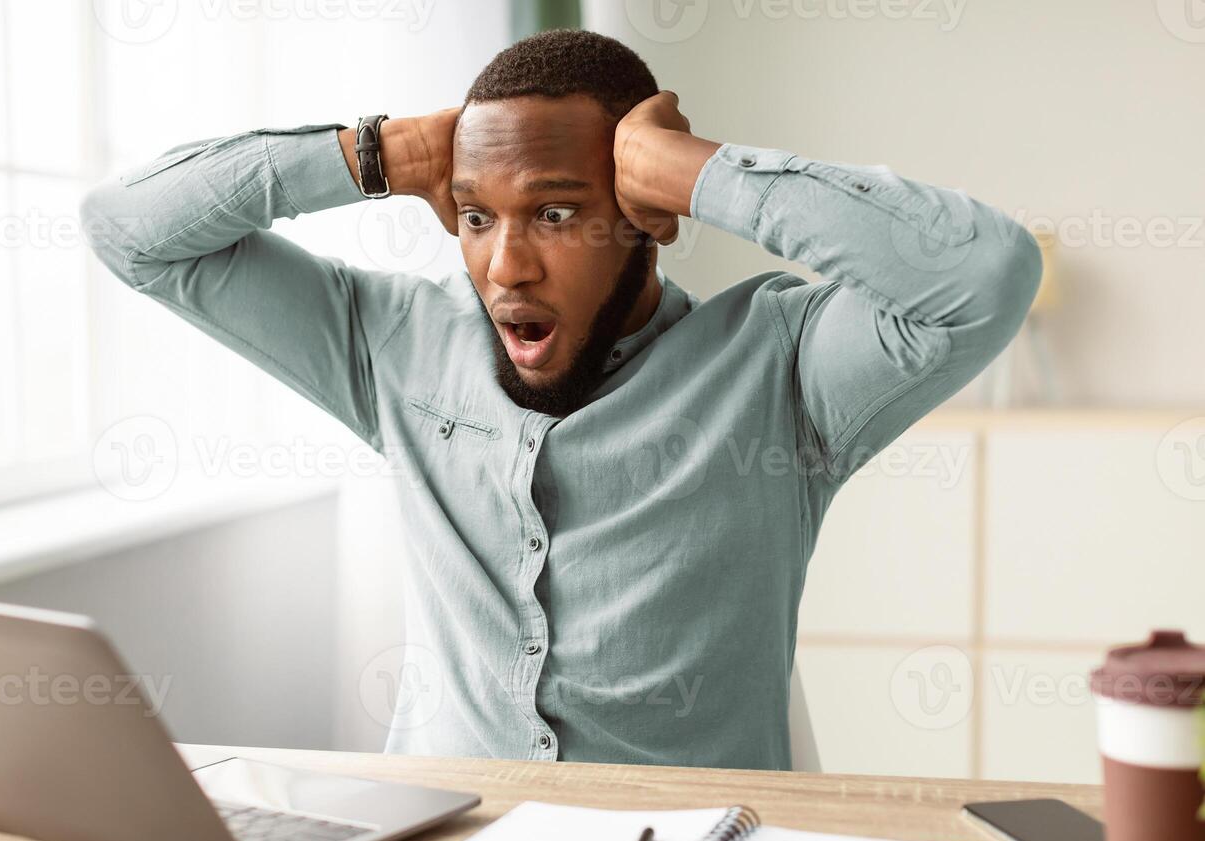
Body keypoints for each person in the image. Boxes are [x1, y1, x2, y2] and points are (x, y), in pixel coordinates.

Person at [81, 28, 1040, 770]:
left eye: (554, 212)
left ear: (644, 218)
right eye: (474, 216)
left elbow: (986, 274)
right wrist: (379, 152)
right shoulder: (392, 346)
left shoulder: (781, 370)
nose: (505, 266)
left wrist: (696, 172)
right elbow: (129, 229)